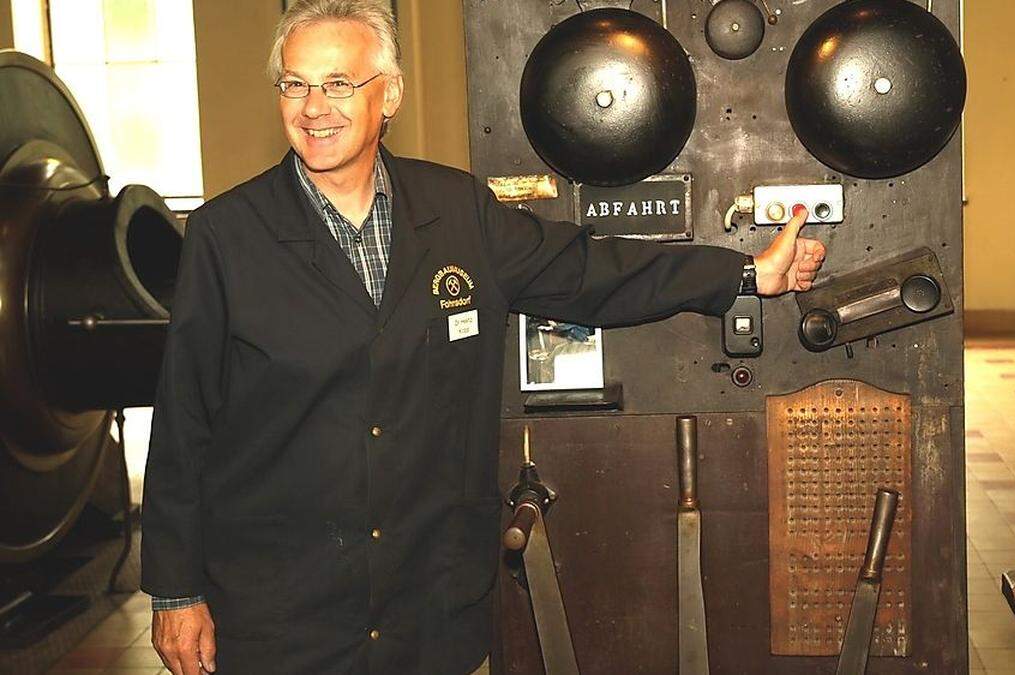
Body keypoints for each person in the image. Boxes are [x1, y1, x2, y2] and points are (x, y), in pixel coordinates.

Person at [141, 1, 826, 673]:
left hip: (429, 608)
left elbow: (592, 270)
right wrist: (176, 591)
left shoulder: (457, 210)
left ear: (391, 96)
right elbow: (182, 424)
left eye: (339, 83)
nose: (314, 106)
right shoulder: (226, 237)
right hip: (283, 612)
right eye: (295, 83)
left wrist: (743, 273)